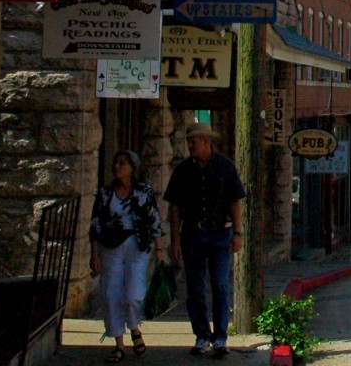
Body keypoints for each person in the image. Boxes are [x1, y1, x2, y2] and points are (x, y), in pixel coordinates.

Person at [163, 123, 246, 359]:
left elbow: (236, 201)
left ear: (207, 142)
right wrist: (175, 240)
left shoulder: (225, 166)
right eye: (189, 141)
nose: (190, 145)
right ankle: (201, 335)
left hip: (220, 232)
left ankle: (220, 337)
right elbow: (175, 208)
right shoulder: (183, 170)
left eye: (195, 141)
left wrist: (238, 234)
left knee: (220, 284)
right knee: (195, 287)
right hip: (192, 233)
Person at [89, 150, 162, 363]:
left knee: (134, 295)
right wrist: (94, 254)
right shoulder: (105, 193)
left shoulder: (143, 192)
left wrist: (159, 249)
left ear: (132, 168)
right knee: (111, 295)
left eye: (122, 163)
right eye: (115, 162)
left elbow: (154, 220)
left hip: (137, 246)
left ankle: (134, 327)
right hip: (110, 246)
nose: (117, 167)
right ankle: (119, 344)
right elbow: (95, 224)